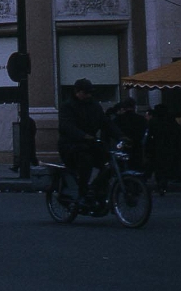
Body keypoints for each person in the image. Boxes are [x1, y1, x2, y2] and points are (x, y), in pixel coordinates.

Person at [57, 78, 120, 206]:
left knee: (110, 161)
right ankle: (82, 192)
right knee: (85, 161)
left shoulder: (94, 106)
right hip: (70, 145)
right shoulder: (67, 106)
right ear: (77, 92)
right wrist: (83, 136)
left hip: (90, 144)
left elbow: (106, 123)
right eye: (85, 93)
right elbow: (67, 126)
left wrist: (121, 136)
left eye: (90, 93)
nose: (88, 95)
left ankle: (96, 188)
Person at [145, 104, 180, 196]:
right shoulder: (171, 121)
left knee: (158, 168)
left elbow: (149, 136)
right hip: (169, 146)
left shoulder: (153, 121)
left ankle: (160, 184)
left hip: (156, 147)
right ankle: (164, 184)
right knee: (166, 166)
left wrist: (147, 148)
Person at [114, 97, 147, 170]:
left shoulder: (118, 119)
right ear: (134, 106)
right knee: (137, 168)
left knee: (122, 169)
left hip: (122, 147)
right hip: (137, 147)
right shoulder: (141, 119)